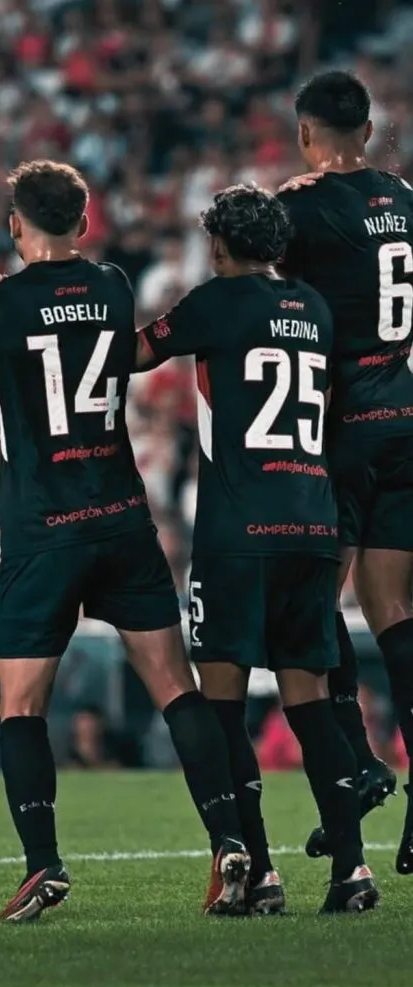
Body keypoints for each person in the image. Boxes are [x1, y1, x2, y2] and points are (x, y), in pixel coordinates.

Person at [0, 159, 249, 923]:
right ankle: (227, 840)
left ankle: (42, 863)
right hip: (121, 518)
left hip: (42, 528)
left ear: (14, 223)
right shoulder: (113, 287)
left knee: (21, 705)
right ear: (83, 223)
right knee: (173, 686)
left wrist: (9, 496)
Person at [136, 184, 378, 913]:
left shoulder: (214, 301)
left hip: (237, 535)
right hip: (312, 524)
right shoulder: (314, 308)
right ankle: (352, 872)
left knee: (223, 706)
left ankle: (261, 874)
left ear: (217, 245)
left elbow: (134, 353)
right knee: (310, 705)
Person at [279, 70, 410, 874]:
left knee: (314, 600)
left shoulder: (296, 206)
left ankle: (356, 762)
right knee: (393, 609)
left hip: (340, 425)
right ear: (366, 130)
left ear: (304, 132)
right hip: (405, 410)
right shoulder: (405, 198)